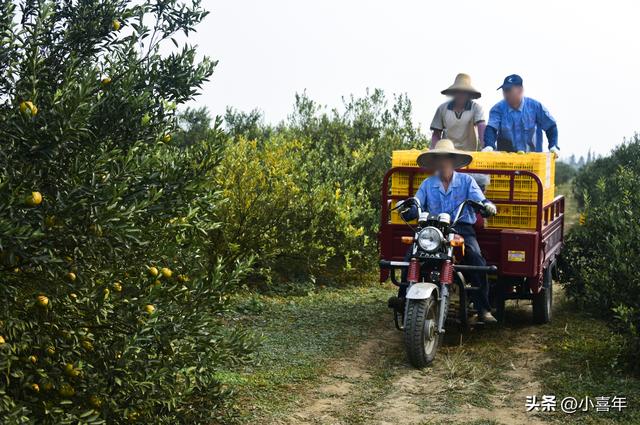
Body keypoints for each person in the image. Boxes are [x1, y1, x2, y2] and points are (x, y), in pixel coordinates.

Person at [400, 139, 498, 324]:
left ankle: (483, 308)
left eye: (446, 158)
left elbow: (481, 201)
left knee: (476, 259)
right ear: (435, 162)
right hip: (433, 230)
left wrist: (487, 206)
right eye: (438, 159)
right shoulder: (428, 184)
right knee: (411, 256)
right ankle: (403, 299)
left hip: (461, 229)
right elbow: (417, 202)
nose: (442, 162)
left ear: (453, 161)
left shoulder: (467, 181)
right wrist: (410, 208)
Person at [482, 74, 559, 153]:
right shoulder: (497, 109)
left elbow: (550, 126)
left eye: (508, 90)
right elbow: (491, 129)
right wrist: (489, 145)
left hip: (533, 160)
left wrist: (553, 145)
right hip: (507, 161)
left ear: (520, 90)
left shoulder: (536, 107)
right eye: (504, 90)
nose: (506, 93)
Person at [430, 73, 486, 151]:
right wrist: (434, 150)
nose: (461, 94)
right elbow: (436, 133)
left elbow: (481, 127)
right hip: (447, 152)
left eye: (464, 92)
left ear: (469, 94)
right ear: (454, 92)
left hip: (469, 153)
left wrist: (485, 147)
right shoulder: (442, 109)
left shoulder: (476, 108)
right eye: (458, 91)